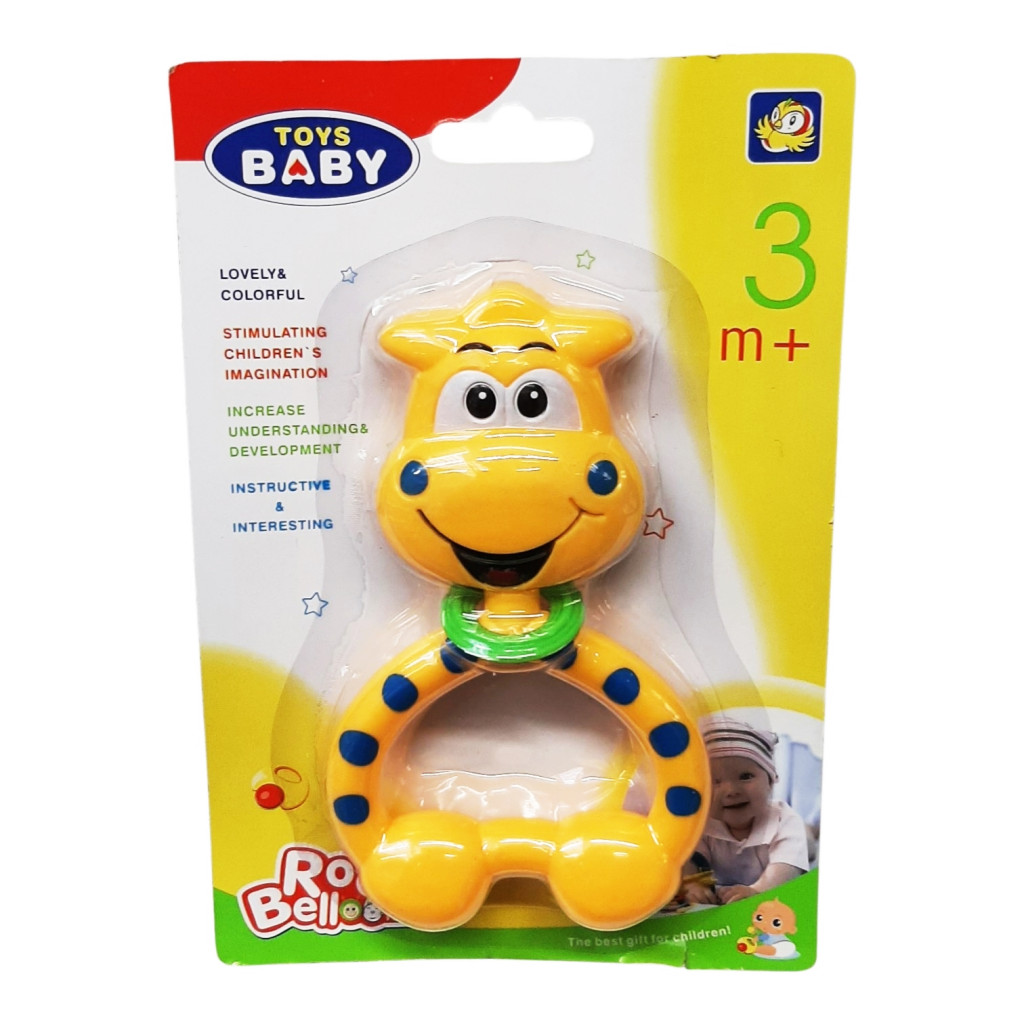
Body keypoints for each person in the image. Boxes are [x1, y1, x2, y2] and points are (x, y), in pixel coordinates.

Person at [681, 716, 808, 905]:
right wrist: (694, 885)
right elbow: (691, 860)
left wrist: (758, 890)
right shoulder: (704, 825)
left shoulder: (783, 820)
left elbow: (787, 867)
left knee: (805, 839)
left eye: (746, 776)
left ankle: (810, 833)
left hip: (765, 882)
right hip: (727, 891)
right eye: (715, 781)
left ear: (771, 780)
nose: (731, 791)